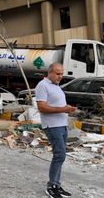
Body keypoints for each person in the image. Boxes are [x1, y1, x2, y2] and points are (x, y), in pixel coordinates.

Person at [34, 63, 76, 198]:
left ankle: (57, 184)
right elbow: (42, 107)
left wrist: (67, 109)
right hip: (52, 126)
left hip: (61, 125)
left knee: (61, 156)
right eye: (57, 73)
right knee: (59, 155)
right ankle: (51, 186)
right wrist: (64, 109)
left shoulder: (56, 86)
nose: (60, 76)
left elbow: (57, 105)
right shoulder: (42, 85)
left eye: (62, 73)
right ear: (50, 72)